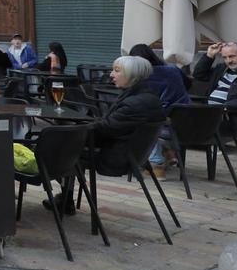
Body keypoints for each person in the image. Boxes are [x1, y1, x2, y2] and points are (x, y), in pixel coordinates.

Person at [47, 55, 164, 214]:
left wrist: (74, 132)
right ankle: (65, 199)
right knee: (68, 144)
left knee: (63, 150)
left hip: (115, 158)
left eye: (117, 71)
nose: (111, 74)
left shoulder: (135, 103)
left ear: (132, 75)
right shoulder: (146, 96)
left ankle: (63, 198)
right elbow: (109, 125)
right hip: (130, 154)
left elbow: (106, 129)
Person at [128, 44, 191, 177]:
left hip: (164, 127)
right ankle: (169, 151)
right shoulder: (173, 69)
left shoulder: (142, 78)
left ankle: (156, 164)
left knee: (142, 121)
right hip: (188, 124)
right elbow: (189, 84)